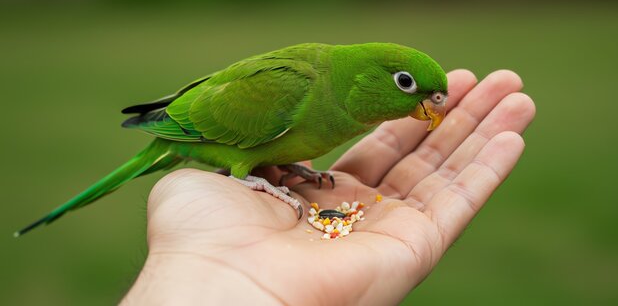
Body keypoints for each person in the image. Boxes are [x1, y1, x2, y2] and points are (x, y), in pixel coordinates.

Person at [122, 70, 535, 305]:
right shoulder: (296, 88)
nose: (428, 105)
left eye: (434, 98)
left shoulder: (343, 113)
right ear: (363, 76)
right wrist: (249, 182)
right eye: (406, 83)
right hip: (201, 135)